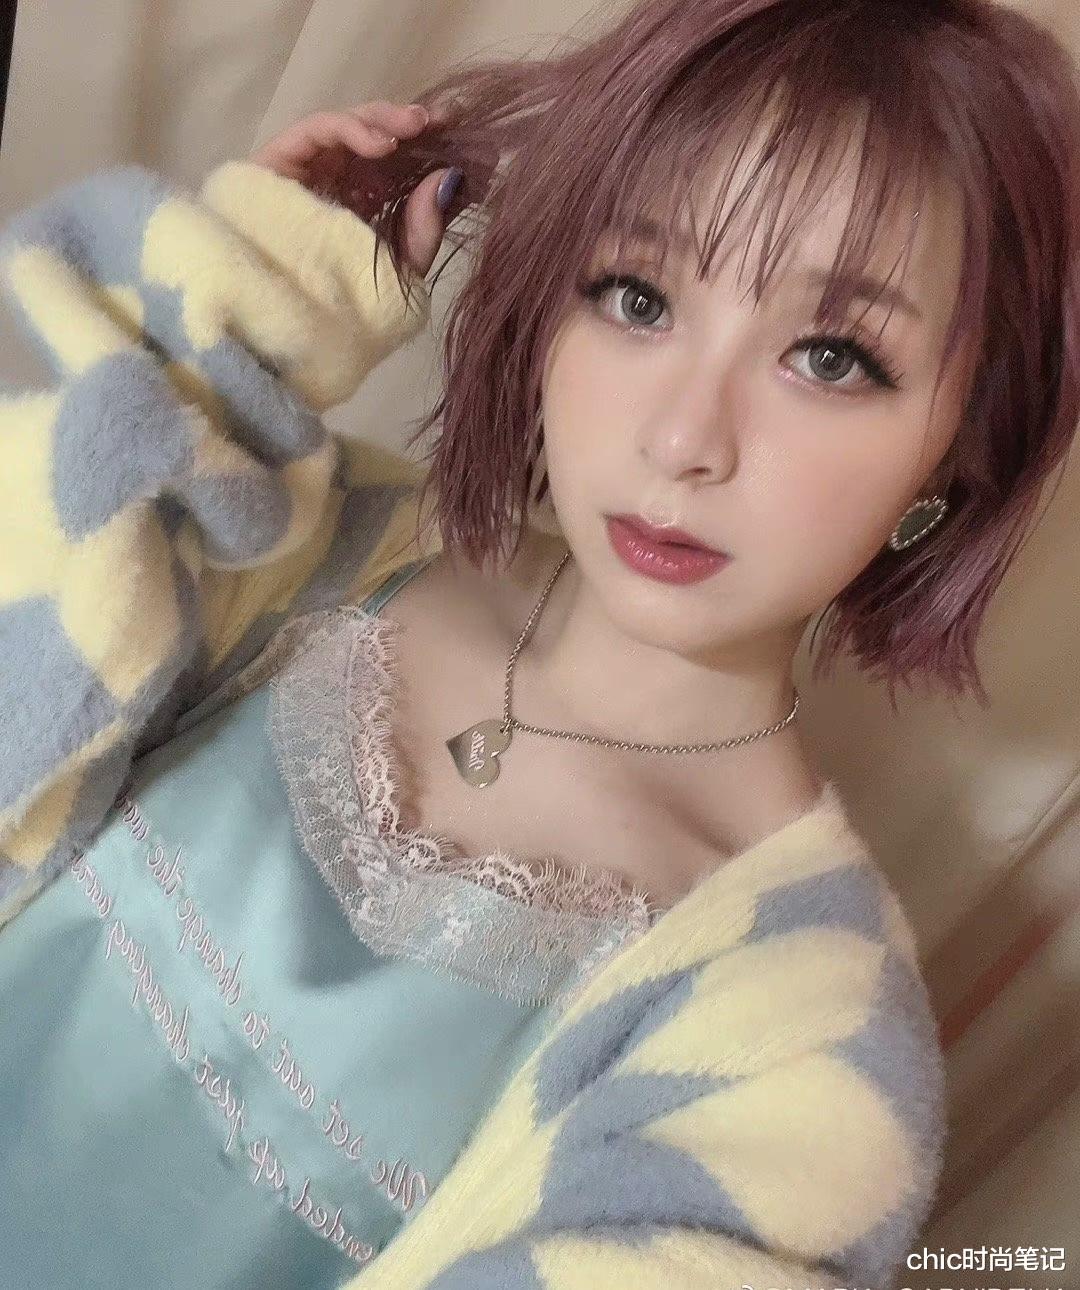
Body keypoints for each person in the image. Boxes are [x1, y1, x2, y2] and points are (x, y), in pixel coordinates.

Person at [0, 0, 1077, 1286]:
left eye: (833, 359)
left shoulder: (805, 1043)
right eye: (637, 295)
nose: (684, 438)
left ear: (956, 453)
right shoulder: (299, 534)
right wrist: (236, 331)